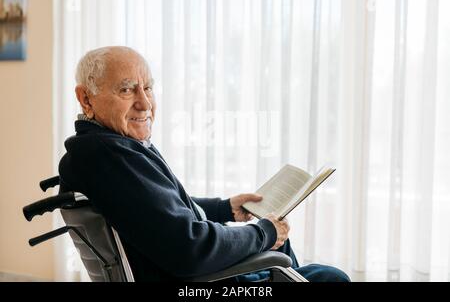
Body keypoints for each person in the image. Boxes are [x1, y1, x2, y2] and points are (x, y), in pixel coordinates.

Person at [58, 46, 350, 282]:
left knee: (281, 249)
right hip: (199, 284)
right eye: (126, 90)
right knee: (329, 277)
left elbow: (155, 211)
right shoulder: (110, 156)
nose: (145, 103)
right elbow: (187, 248)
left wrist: (224, 208)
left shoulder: (107, 148)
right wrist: (264, 232)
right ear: (86, 99)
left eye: (147, 88)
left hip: (192, 274)